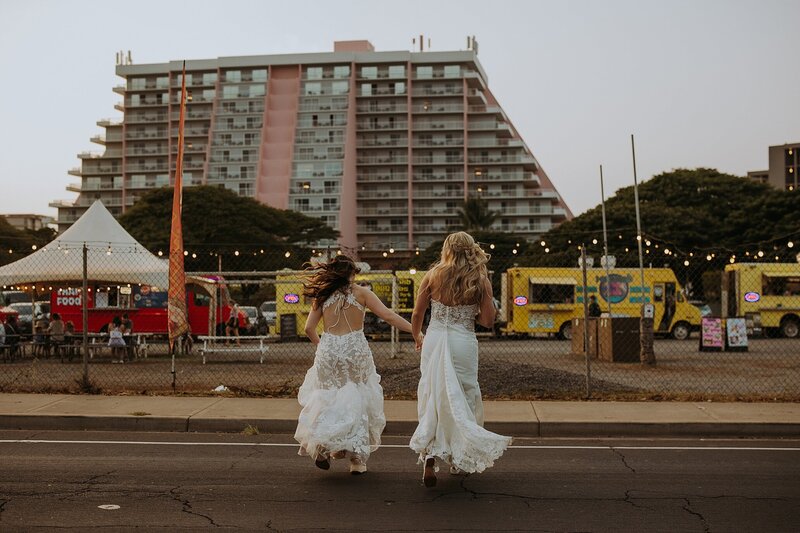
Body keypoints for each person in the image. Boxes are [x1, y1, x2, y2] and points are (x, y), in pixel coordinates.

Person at [294, 255, 413, 475]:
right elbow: (388, 316)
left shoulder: (323, 295)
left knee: (327, 396)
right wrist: (416, 331)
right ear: (352, 273)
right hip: (354, 349)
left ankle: (322, 446)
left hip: (329, 348)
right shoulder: (362, 293)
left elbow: (309, 329)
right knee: (358, 396)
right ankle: (357, 459)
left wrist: (323, 346)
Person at [410, 231, 512, 488]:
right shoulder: (480, 279)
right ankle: (457, 458)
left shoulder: (432, 275)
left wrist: (417, 337)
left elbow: (417, 312)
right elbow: (488, 321)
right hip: (463, 342)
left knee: (434, 395)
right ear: (471, 249)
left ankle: (430, 457)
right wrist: (473, 312)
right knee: (463, 397)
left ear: (446, 249)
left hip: (434, 339)